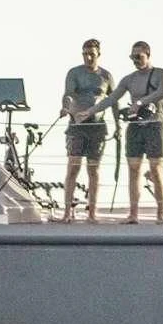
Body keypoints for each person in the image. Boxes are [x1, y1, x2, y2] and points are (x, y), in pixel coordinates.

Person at [111, 41, 163, 223]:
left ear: (148, 55)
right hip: (135, 127)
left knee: (156, 169)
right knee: (133, 169)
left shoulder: (162, 73)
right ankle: (133, 214)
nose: (135, 60)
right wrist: (90, 111)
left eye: (139, 56)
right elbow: (113, 97)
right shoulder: (129, 79)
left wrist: (141, 102)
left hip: (154, 125)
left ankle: (161, 213)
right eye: (132, 57)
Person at [59, 39, 115, 222]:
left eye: (91, 53)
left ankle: (92, 213)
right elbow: (68, 93)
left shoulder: (106, 76)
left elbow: (113, 100)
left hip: (97, 126)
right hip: (77, 125)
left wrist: (119, 126)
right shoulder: (74, 73)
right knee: (73, 166)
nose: (88, 57)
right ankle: (67, 212)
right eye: (85, 53)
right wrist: (66, 107)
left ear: (98, 54)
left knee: (94, 170)